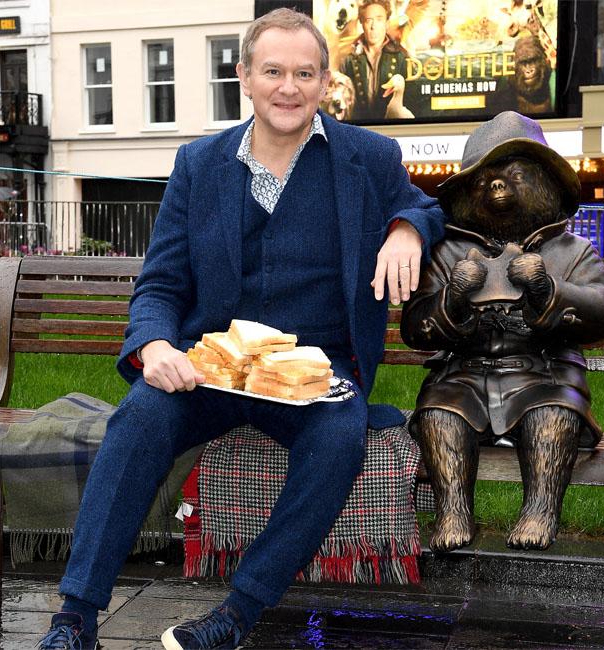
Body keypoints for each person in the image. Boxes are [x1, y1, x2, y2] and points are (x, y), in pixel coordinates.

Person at [37, 8, 446, 650]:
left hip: (316, 370)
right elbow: (162, 282)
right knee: (139, 420)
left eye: (304, 73)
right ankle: (75, 617)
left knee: (341, 441)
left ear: (325, 82)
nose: (289, 87)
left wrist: (405, 230)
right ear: (245, 78)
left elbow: (422, 204)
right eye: (274, 71)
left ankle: (236, 614)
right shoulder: (199, 164)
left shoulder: (369, 157)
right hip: (215, 363)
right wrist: (154, 344)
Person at [340, 0, 408, 120]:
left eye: (379, 19)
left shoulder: (401, 56)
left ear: (387, 23)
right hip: (357, 129)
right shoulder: (348, 58)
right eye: (368, 20)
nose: (373, 26)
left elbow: (411, 100)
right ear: (361, 23)